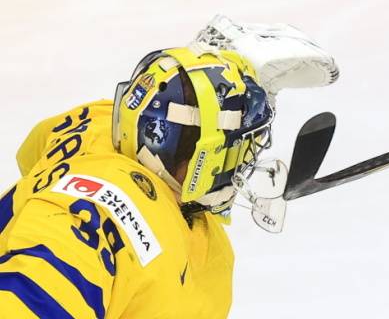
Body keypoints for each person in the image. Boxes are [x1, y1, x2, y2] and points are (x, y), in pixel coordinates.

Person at [0, 16, 337, 318]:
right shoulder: (99, 217)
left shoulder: (104, 130)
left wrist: (220, 68)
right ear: (209, 154)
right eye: (239, 145)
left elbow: (36, 146)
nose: (247, 160)